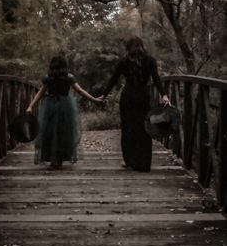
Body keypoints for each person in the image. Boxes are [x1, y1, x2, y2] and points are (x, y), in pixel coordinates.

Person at [98, 35, 170, 172]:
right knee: (144, 129)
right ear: (142, 46)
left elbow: (113, 80)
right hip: (143, 98)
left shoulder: (123, 62)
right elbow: (156, 79)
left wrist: (104, 95)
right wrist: (164, 94)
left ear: (127, 47)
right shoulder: (150, 61)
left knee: (128, 129)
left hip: (129, 98)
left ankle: (129, 160)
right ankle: (144, 163)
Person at [26, 55, 102, 169]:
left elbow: (40, 94)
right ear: (65, 66)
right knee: (64, 132)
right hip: (65, 106)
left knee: (50, 132)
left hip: (50, 106)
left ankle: (53, 159)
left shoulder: (48, 78)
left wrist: (30, 106)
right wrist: (94, 99)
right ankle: (60, 158)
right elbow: (80, 91)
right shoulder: (69, 77)